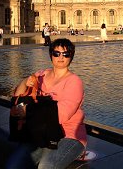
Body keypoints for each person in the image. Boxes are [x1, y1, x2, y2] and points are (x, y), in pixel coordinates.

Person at [6, 38, 87, 169]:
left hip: (68, 135)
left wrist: (28, 111)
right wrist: (25, 82)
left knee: (46, 166)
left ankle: (78, 152)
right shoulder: (41, 74)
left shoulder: (74, 81)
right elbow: (17, 96)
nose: (61, 57)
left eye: (66, 54)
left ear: (71, 56)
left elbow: (62, 114)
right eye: (57, 53)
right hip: (41, 133)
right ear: (51, 55)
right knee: (13, 165)